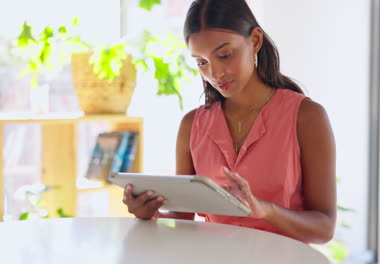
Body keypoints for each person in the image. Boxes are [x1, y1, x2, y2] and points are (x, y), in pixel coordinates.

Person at [123, 0, 336, 244]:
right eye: (201, 62)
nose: (215, 74)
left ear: (255, 40)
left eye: (224, 55)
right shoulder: (192, 125)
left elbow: (324, 229)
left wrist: (266, 210)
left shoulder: (306, 117)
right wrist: (152, 213)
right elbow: (183, 216)